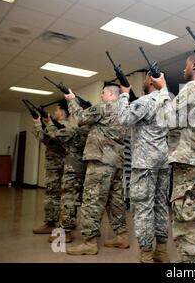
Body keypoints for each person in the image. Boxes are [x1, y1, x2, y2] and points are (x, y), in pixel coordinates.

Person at [153, 52, 195, 263]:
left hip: (189, 163)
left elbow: (166, 119)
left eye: (185, 66)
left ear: (193, 65)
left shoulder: (191, 89)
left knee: (186, 218)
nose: (183, 70)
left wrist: (163, 91)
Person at [64, 82, 129, 255]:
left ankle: (89, 242)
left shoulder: (105, 108)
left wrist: (71, 100)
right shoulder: (124, 110)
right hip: (117, 162)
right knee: (115, 201)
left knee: (92, 200)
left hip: (101, 162)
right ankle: (122, 236)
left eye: (103, 93)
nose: (101, 96)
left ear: (110, 94)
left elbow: (80, 118)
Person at [117, 74, 170, 263]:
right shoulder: (167, 100)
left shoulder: (146, 101)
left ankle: (146, 253)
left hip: (145, 163)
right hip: (163, 161)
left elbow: (124, 118)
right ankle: (162, 251)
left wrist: (124, 95)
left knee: (143, 208)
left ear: (150, 81)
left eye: (146, 78)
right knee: (161, 205)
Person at [45, 100, 90, 243]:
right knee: (83, 201)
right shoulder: (91, 129)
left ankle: (65, 232)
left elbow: (55, 135)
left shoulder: (78, 129)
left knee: (68, 200)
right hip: (83, 168)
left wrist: (49, 123)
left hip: (73, 170)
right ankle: (88, 230)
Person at [32, 102, 67, 235]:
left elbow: (49, 137)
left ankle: (51, 223)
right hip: (61, 165)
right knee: (66, 195)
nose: (55, 112)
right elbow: (46, 138)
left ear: (63, 112)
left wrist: (39, 124)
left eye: (57, 110)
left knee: (53, 195)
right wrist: (40, 123)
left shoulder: (63, 126)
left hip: (56, 166)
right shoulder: (60, 126)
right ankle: (67, 222)